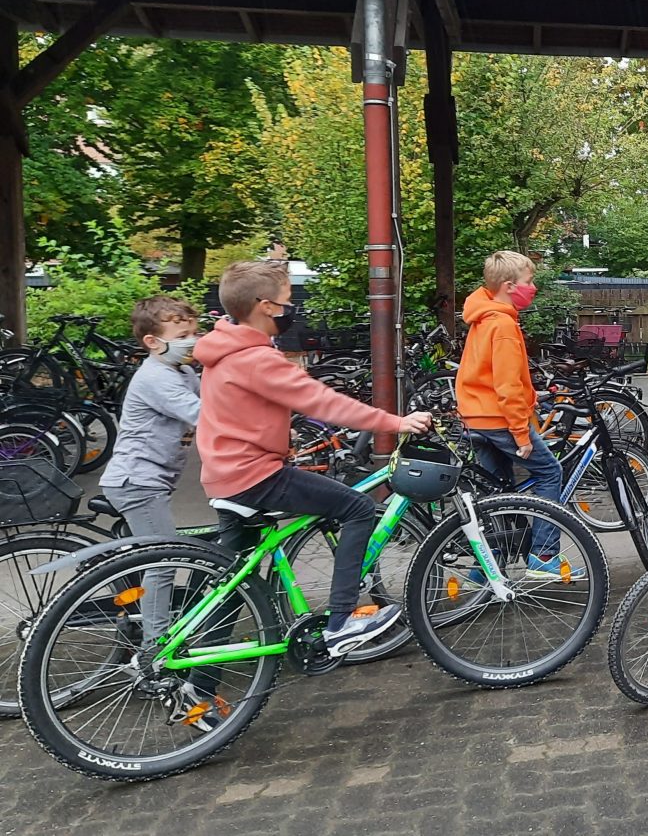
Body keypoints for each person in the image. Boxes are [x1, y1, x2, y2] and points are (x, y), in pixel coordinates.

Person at [195, 261, 432, 661]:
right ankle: (341, 624)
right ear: (267, 306)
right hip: (255, 476)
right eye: (288, 302)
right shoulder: (256, 359)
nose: (292, 311)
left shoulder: (223, 350)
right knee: (357, 507)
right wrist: (394, 422)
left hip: (225, 475)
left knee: (236, 586)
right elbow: (321, 401)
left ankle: (197, 687)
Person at [98, 295, 203, 644]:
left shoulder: (183, 371)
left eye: (194, 332)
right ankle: (153, 651)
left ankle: (143, 624)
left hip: (150, 480)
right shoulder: (157, 377)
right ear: (152, 342)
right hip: (136, 482)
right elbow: (205, 416)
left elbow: (215, 403)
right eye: (183, 334)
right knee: (164, 561)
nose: (192, 340)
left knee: (153, 558)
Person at [456, 250, 568, 571]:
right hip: (500, 420)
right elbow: (506, 386)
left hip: (476, 419)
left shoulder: (482, 317)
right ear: (508, 286)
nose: (532, 287)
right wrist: (521, 433)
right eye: (529, 282)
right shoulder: (502, 324)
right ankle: (544, 555)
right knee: (549, 473)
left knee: (498, 493)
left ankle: (488, 567)